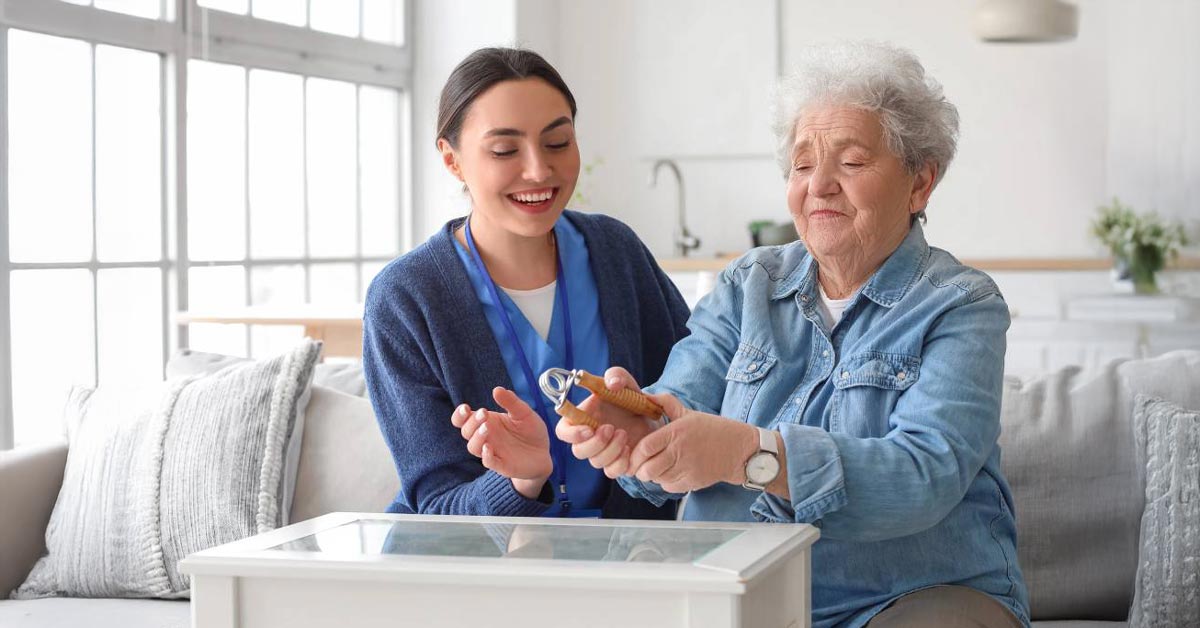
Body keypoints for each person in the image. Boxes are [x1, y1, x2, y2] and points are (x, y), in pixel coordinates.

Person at [558, 42, 1030, 628]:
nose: (820, 185)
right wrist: (641, 436)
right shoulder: (748, 284)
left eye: (852, 162)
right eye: (803, 165)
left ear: (919, 183)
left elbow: (924, 474)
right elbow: (679, 409)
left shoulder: (961, 304)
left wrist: (749, 455)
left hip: (907, 595)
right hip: (737, 592)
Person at [363, 47, 689, 520]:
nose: (538, 170)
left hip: (633, 560)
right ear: (452, 160)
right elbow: (436, 507)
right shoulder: (405, 300)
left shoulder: (617, 253)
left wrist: (652, 422)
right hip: (486, 576)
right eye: (504, 150)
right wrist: (520, 480)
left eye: (557, 143)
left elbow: (698, 399)